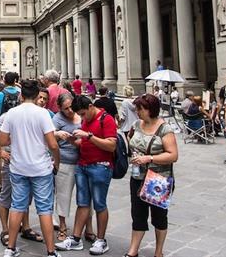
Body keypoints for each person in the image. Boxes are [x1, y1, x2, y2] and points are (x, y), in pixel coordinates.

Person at [0, 79, 61, 257]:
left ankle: (10, 248)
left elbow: (2, 141)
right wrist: (57, 161)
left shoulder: (12, 113)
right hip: (40, 168)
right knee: (44, 209)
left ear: (21, 95)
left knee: (17, 206)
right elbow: (53, 144)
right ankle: (51, 251)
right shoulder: (42, 114)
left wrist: (16, 140)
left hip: (18, 167)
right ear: (36, 96)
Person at [56, 95, 117, 255]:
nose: (82, 117)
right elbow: (83, 143)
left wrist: (89, 136)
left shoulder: (106, 119)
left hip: (100, 166)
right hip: (83, 165)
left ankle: (101, 240)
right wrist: (70, 139)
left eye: (83, 113)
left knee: (99, 204)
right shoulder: (86, 120)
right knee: (82, 203)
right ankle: (75, 238)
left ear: (90, 106)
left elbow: (111, 145)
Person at [125, 94, 179, 257]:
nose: (137, 111)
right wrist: (134, 154)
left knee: (159, 216)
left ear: (150, 110)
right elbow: (130, 139)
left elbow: (173, 155)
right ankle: (133, 251)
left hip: (158, 179)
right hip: (138, 178)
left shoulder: (165, 129)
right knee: (138, 214)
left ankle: (158, 251)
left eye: (140, 109)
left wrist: (149, 158)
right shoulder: (136, 124)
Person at [53, 92, 82, 243]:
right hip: (65, 161)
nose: (70, 111)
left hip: (84, 162)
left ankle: (87, 227)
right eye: (66, 109)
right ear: (60, 108)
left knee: (84, 198)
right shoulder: (57, 119)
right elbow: (49, 137)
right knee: (63, 195)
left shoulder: (81, 114)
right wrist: (58, 134)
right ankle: (63, 226)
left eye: (71, 107)